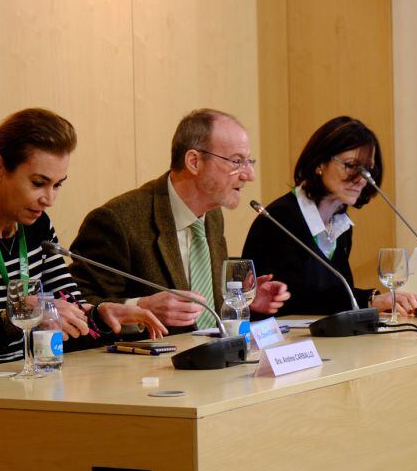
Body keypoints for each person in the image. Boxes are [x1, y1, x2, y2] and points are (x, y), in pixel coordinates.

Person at [0, 108, 165, 371]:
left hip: (20, 385)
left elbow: (68, 307)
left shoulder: (38, 227)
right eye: (38, 183)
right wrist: (18, 314)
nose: (49, 199)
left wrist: (102, 314)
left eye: (57, 185)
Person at [69, 109, 290, 332]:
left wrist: (241, 298)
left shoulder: (212, 214)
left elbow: (202, 307)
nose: (249, 175)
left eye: (249, 161)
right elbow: (78, 303)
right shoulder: (117, 221)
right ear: (194, 162)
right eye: (236, 161)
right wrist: (141, 307)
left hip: (211, 360)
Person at [241, 115, 417, 316]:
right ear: (320, 163)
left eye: (367, 170)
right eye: (351, 165)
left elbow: (336, 296)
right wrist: (369, 300)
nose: (361, 180)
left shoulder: (340, 223)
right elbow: (293, 301)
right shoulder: (279, 219)